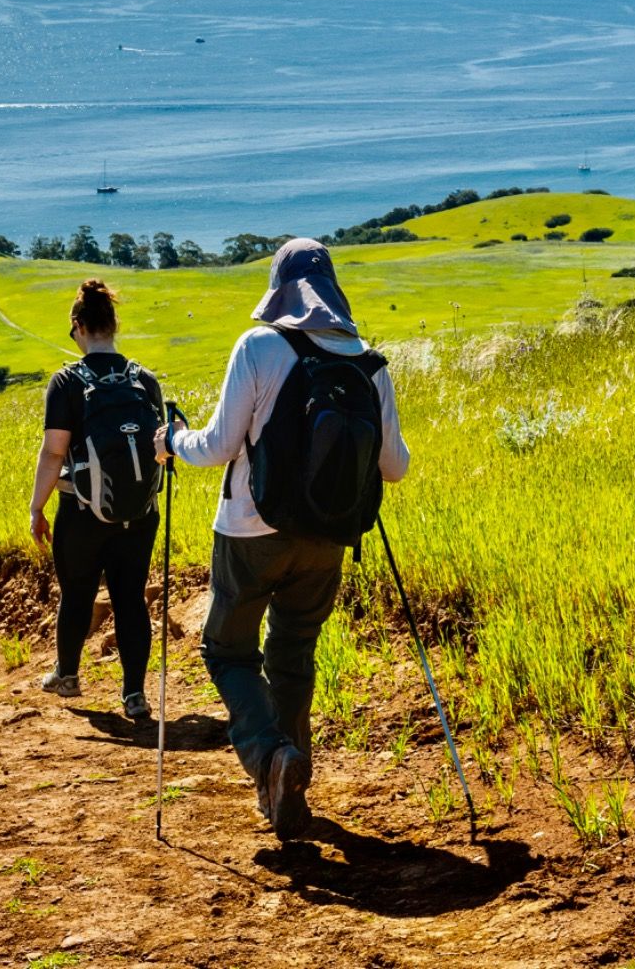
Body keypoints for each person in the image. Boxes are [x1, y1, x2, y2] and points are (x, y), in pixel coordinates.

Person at [154, 238, 409, 835]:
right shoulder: (368, 362)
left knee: (226, 650)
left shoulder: (260, 346)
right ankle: (289, 785)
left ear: (277, 286)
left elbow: (218, 447)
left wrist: (171, 442)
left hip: (250, 530)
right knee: (293, 651)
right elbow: (394, 467)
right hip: (328, 536)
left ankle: (271, 758)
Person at [30, 278, 165, 720]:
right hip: (140, 513)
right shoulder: (143, 379)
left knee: (78, 594)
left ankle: (67, 676)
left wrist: (37, 507)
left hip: (82, 511)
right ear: (113, 325)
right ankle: (134, 695)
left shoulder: (67, 382)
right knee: (130, 598)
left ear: (78, 327)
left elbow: (54, 452)